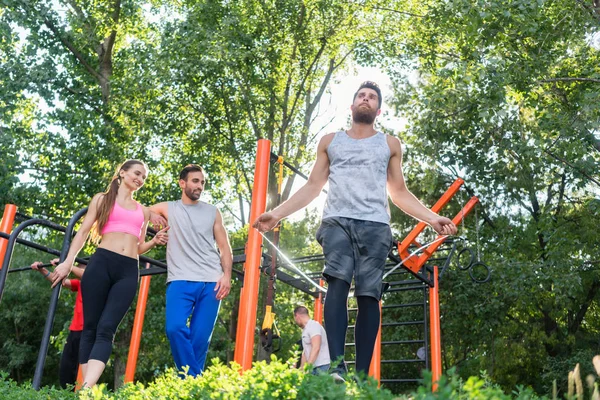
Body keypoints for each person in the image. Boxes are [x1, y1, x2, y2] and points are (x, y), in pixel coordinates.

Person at [253, 81, 457, 380]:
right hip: (336, 221)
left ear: (378, 109)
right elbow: (312, 187)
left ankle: (361, 376)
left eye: (372, 97)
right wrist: (277, 213)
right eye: (361, 95)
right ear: (352, 105)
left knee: (367, 295)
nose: (366, 99)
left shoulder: (390, 144)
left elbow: (399, 192)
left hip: (375, 226)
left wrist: (432, 218)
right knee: (337, 282)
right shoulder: (330, 141)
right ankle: (336, 366)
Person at [51, 159, 169, 388]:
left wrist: (154, 242)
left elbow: (137, 246)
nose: (140, 179)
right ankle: (87, 390)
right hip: (101, 263)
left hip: (127, 270)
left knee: (107, 329)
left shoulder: (143, 211)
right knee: (91, 328)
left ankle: (86, 388)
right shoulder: (102, 200)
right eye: (137, 173)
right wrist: (67, 262)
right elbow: (84, 232)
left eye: (144, 177)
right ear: (122, 173)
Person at [149, 164, 233, 377]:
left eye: (202, 182)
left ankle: (188, 386)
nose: (200, 186)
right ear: (182, 183)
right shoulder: (169, 207)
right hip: (180, 280)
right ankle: (196, 381)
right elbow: (140, 209)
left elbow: (224, 247)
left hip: (211, 282)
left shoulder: (213, 212)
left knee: (199, 340)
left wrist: (227, 276)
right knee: (174, 328)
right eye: (195, 181)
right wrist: (152, 216)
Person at [32, 258, 85, 389]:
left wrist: (67, 265)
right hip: (75, 332)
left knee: (83, 370)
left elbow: (89, 274)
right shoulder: (80, 285)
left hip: (88, 332)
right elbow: (61, 281)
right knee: (66, 370)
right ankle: (68, 395)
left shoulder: (98, 282)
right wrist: (42, 270)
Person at [293, 306, 330, 375]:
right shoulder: (305, 330)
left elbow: (316, 347)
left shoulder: (313, 326)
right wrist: (301, 369)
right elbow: (305, 352)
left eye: (295, 318)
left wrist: (308, 367)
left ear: (297, 316)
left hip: (321, 367)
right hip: (314, 368)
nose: (295, 321)